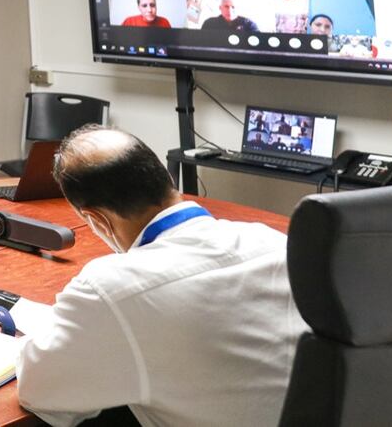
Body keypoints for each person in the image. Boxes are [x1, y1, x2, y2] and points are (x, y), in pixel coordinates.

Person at [16, 126, 306, 427]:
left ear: (98, 219)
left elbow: (40, 392)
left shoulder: (111, 288)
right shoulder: (275, 243)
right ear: (167, 180)